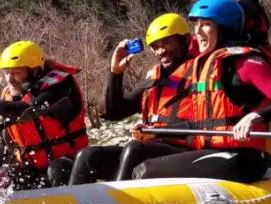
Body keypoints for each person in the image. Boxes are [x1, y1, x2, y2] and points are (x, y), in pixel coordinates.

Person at [131, 0, 271, 183]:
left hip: (243, 158)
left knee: (145, 171)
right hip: (210, 151)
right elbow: (201, 126)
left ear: (225, 28)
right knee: (138, 151)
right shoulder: (203, 68)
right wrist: (156, 132)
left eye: (206, 25)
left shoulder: (246, 63)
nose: (197, 32)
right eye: (196, 25)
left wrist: (254, 117)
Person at [67, 13, 200, 185]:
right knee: (88, 156)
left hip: (185, 150)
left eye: (167, 43)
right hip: (151, 149)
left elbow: (202, 123)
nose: (161, 51)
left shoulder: (200, 72)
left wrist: (156, 131)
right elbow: (114, 112)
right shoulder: (155, 78)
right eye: (156, 46)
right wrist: (115, 72)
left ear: (185, 40)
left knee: (134, 148)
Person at [0, 41, 88, 190]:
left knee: (56, 168)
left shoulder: (59, 88)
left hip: (70, 168)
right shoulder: (11, 96)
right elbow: (4, 142)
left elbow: (27, 110)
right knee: (2, 179)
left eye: (16, 73)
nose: (9, 79)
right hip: (34, 170)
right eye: (6, 73)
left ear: (35, 71)